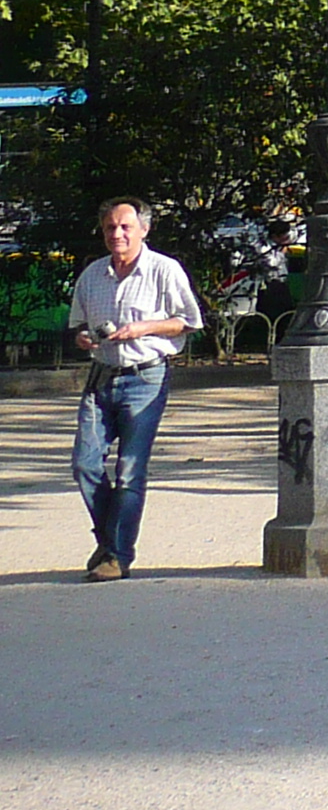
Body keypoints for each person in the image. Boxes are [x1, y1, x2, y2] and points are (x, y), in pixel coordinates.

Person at [68, 196, 203, 582]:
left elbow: (188, 322)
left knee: (129, 470)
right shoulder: (93, 274)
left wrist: (142, 328)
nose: (118, 234)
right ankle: (110, 538)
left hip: (146, 377)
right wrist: (82, 338)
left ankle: (117, 555)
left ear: (144, 229)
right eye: (111, 227)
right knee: (84, 464)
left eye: (126, 226)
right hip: (101, 376)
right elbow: (78, 323)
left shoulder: (164, 270)